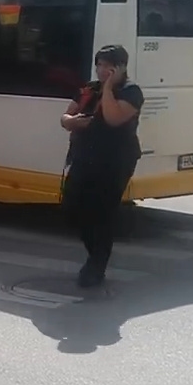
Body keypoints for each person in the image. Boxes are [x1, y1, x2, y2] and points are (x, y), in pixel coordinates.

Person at [60, 45, 144, 288]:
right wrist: (73, 122)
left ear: (121, 68)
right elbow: (66, 117)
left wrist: (108, 88)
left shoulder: (131, 91)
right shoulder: (89, 88)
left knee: (102, 213)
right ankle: (93, 254)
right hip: (84, 156)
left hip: (115, 160)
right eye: (99, 65)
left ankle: (96, 266)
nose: (102, 70)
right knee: (73, 206)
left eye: (108, 66)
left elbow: (113, 118)